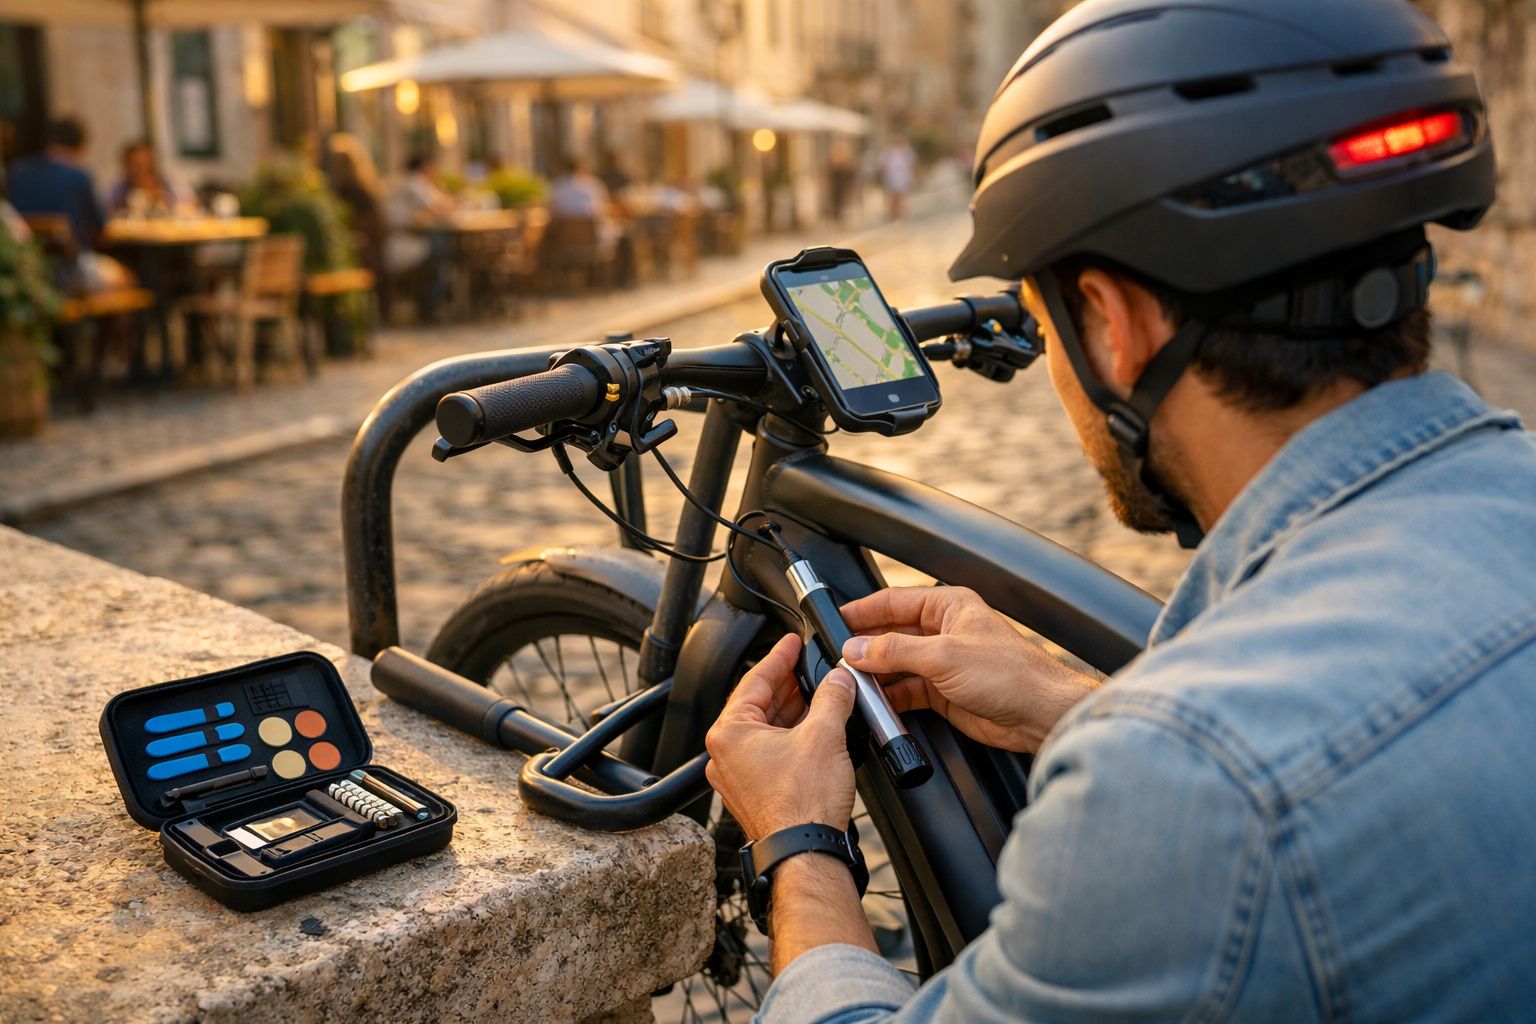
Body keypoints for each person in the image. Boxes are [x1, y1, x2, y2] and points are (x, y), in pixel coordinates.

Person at [705, 0, 1536, 1020]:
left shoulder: (1190, 790)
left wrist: (799, 841)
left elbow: (1243, 797)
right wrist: (1074, 704)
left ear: (1114, 323)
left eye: (1044, 320)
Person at [7, 115, 104, 252]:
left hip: (26, 257)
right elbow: (98, 224)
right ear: (79, 147)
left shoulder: (18, 171)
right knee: (120, 273)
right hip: (68, 260)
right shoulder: (78, 176)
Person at [105, 140, 183, 216]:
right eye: (136, 165)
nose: (141, 169)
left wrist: (163, 199)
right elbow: (107, 212)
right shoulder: (118, 190)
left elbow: (185, 206)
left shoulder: (168, 185)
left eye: (145, 163)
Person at [548, 154, 612, 219]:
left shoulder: (558, 183)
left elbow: (552, 207)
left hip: (565, 225)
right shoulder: (594, 183)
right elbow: (604, 204)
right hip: (590, 225)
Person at [877, 133, 916, 220]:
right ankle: (893, 213)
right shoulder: (888, 151)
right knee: (892, 196)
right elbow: (882, 165)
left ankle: (899, 213)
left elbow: (913, 164)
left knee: (900, 196)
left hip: (903, 177)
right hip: (891, 177)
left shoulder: (906, 151)